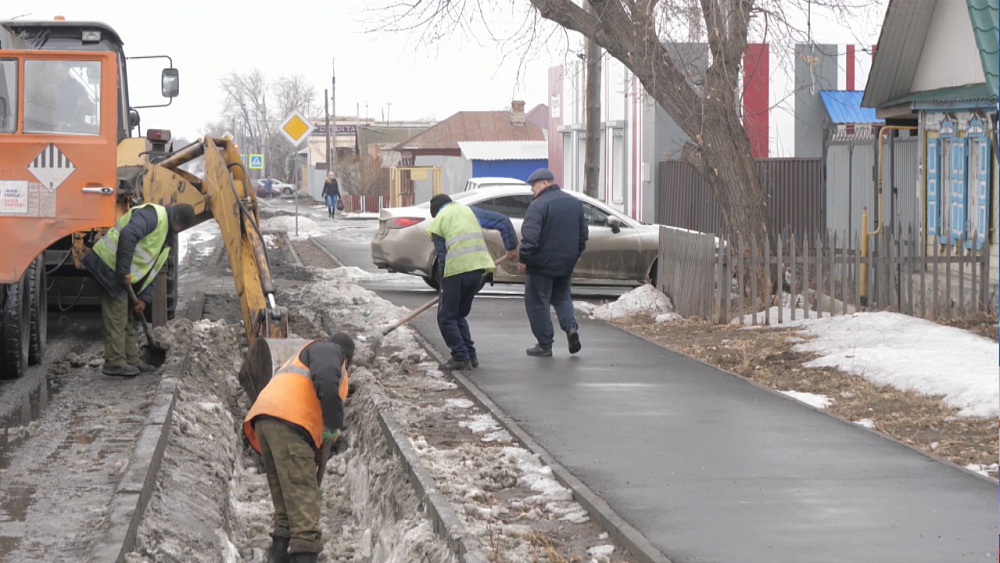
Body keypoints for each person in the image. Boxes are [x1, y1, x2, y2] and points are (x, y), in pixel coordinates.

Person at [243, 333, 354, 563]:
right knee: (305, 510)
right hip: (288, 423)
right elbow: (325, 378)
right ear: (346, 356)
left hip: (266, 420)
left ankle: (280, 556)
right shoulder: (328, 350)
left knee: (285, 506)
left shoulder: (301, 358)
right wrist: (334, 423)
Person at [83, 203, 196, 377]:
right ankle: (114, 362)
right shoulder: (152, 216)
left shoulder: (166, 239)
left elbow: (153, 270)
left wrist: (144, 298)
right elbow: (128, 234)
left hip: (119, 271)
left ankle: (132, 359)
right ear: (178, 224)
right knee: (117, 315)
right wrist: (124, 270)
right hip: (108, 265)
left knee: (126, 316)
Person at [426, 194, 518, 371]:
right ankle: (470, 356)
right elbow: (502, 221)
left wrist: (443, 284)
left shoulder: (438, 221)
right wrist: (511, 246)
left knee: (446, 317)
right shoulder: (469, 211)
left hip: (456, 272)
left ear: (435, 212)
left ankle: (460, 357)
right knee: (458, 315)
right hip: (479, 271)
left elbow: (443, 256)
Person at [518, 168, 588, 357]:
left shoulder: (538, 205)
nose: (532, 189)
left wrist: (524, 258)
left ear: (544, 183)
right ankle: (571, 328)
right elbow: (583, 234)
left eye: (533, 185)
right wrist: (577, 252)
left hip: (540, 264)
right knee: (562, 297)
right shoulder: (574, 202)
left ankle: (544, 344)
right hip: (566, 263)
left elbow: (530, 237)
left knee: (537, 302)